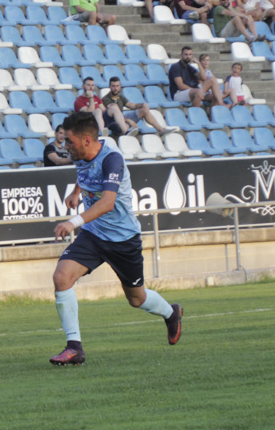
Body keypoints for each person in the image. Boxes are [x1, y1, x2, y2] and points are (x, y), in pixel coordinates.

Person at [46, 112, 183, 366]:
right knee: (61, 277)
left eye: (70, 142)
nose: (66, 147)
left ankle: (171, 312)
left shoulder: (112, 159)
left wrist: (72, 221)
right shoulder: (82, 153)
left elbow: (108, 203)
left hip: (122, 239)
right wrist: (77, 191)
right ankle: (74, 347)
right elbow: (84, 171)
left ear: (87, 140)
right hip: (94, 234)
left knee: (136, 299)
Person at [102, 76, 178, 135]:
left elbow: (133, 106)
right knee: (120, 121)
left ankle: (161, 130)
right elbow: (113, 116)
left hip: (122, 119)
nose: (116, 88)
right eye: (113, 86)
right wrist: (130, 121)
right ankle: (126, 130)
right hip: (112, 123)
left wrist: (142, 104)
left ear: (120, 86)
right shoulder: (106, 99)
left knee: (144, 110)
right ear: (110, 86)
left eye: (117, 86)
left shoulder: (120, 97)